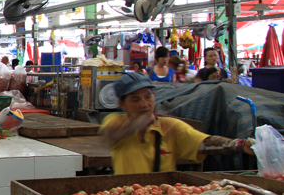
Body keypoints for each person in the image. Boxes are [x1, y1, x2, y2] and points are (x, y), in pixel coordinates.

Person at [101, 72, 253, 175]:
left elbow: (204, 143)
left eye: (148, 97)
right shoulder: (115, 122)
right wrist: (139, 122)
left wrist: (240, 144)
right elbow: (113, 135)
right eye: (135, 99)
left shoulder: (170, 127)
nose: (144, 104)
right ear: (122, 104)